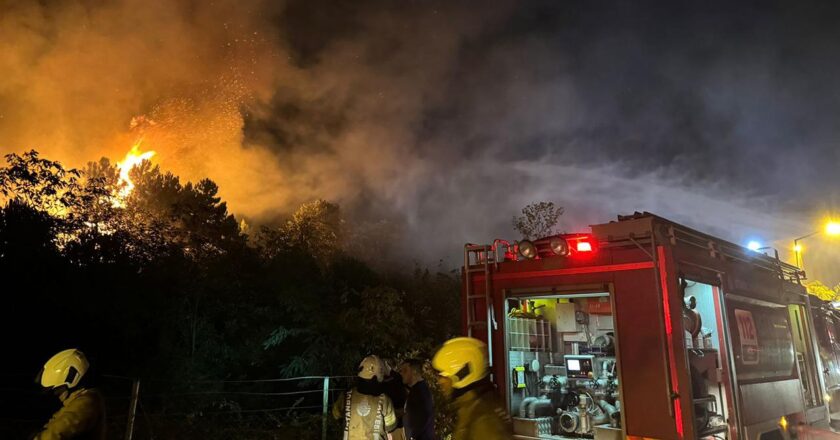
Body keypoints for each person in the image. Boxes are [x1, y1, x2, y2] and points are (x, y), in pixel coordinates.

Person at [432, 337, 511, 440]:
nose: (439, 382)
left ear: (462, 374)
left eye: (443, 376)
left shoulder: (484, 421)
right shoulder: (470, 409)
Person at [33, 348, 106, 440]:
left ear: (71, 378)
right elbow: (55, 424)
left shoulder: (87, 402)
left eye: (58, 388)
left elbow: (60, 429)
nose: (56, 393)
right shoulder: (76, 400)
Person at [333, 355, 398, 440]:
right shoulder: (384, 400)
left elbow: (336, 415)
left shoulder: (346, 395)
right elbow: (391, 427)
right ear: (380, 375)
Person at [398, 358, 435, 440]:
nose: (401, 374)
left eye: (405, 370)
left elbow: (425, 415)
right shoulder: (416, 389)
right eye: (401, 371)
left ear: (414, 371)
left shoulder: (421, 391)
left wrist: (412, 436)